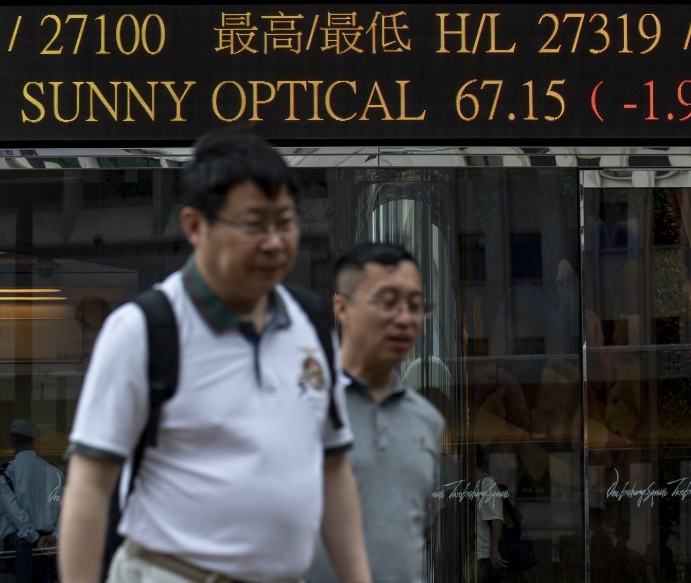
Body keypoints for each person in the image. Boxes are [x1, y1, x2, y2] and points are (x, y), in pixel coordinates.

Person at [58, 130, 371, 583]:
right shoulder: (143, 330)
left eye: (285, 222)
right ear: (194, 226)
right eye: (252, 223)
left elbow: (333, 467)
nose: (274, 242)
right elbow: (90, 484)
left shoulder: (310, 322)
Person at [319, 242, 445, 583]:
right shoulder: (305, 405)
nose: (404, 319)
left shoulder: (427, 420)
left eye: (415, 305)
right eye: (387, 303)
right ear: (342, 308)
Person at [1, 419, 63, 583]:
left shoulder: (6, 473)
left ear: (12, 441)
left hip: (19, 549)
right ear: (36, 442)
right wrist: (54, 537)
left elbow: (14, 512)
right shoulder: (55, 471)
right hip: (50, 547)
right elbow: (64, 510)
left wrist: (35, 539)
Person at [473, 446, 506, 583]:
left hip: (484, 554)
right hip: (477, 553)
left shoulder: (486, 485)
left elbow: (496, 519)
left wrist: (494, 550)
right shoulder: (474, 485)